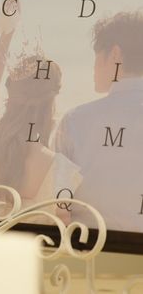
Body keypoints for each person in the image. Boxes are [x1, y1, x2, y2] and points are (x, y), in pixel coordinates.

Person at [0, 22, 81, 220]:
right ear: (50, 104)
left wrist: (8, 28)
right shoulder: (59, 171)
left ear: (12, 96)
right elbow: (63, 230)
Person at [55, 12, 143, 232]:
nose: (93, 68)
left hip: (86, 248)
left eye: (96, 57)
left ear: (115, 54)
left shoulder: (75, 121)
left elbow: (58, 206)